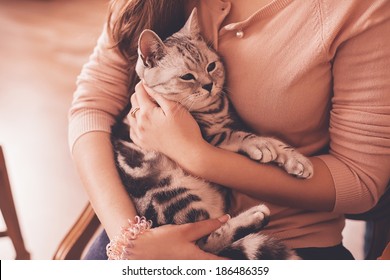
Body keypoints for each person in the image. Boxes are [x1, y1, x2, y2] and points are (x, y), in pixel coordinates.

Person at [68, 0, 390, 260]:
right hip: (142, 223)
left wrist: (197, 155)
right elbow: (91, 107)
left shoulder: (359, 9)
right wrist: (131, 238)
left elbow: (360, 181)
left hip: (288, 237)